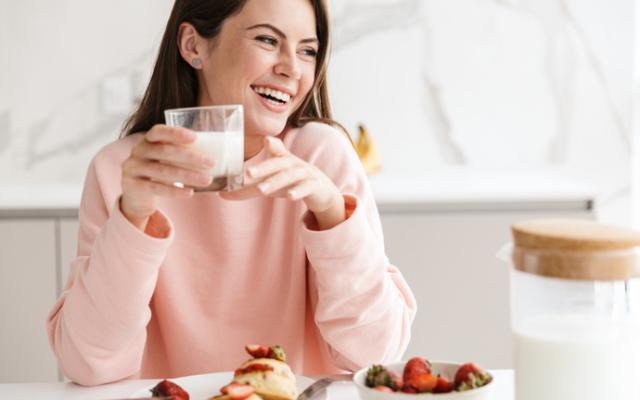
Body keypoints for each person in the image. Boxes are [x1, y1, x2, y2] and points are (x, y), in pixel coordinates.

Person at [46, 0, 417, 386]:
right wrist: (133, 218)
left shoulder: (323, 156)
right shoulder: (119, 170)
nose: (292, 68)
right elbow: (89, 364)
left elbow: (376, 355)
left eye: (307, 49)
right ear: (193, 46)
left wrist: (330, 212)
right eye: (267, 40)